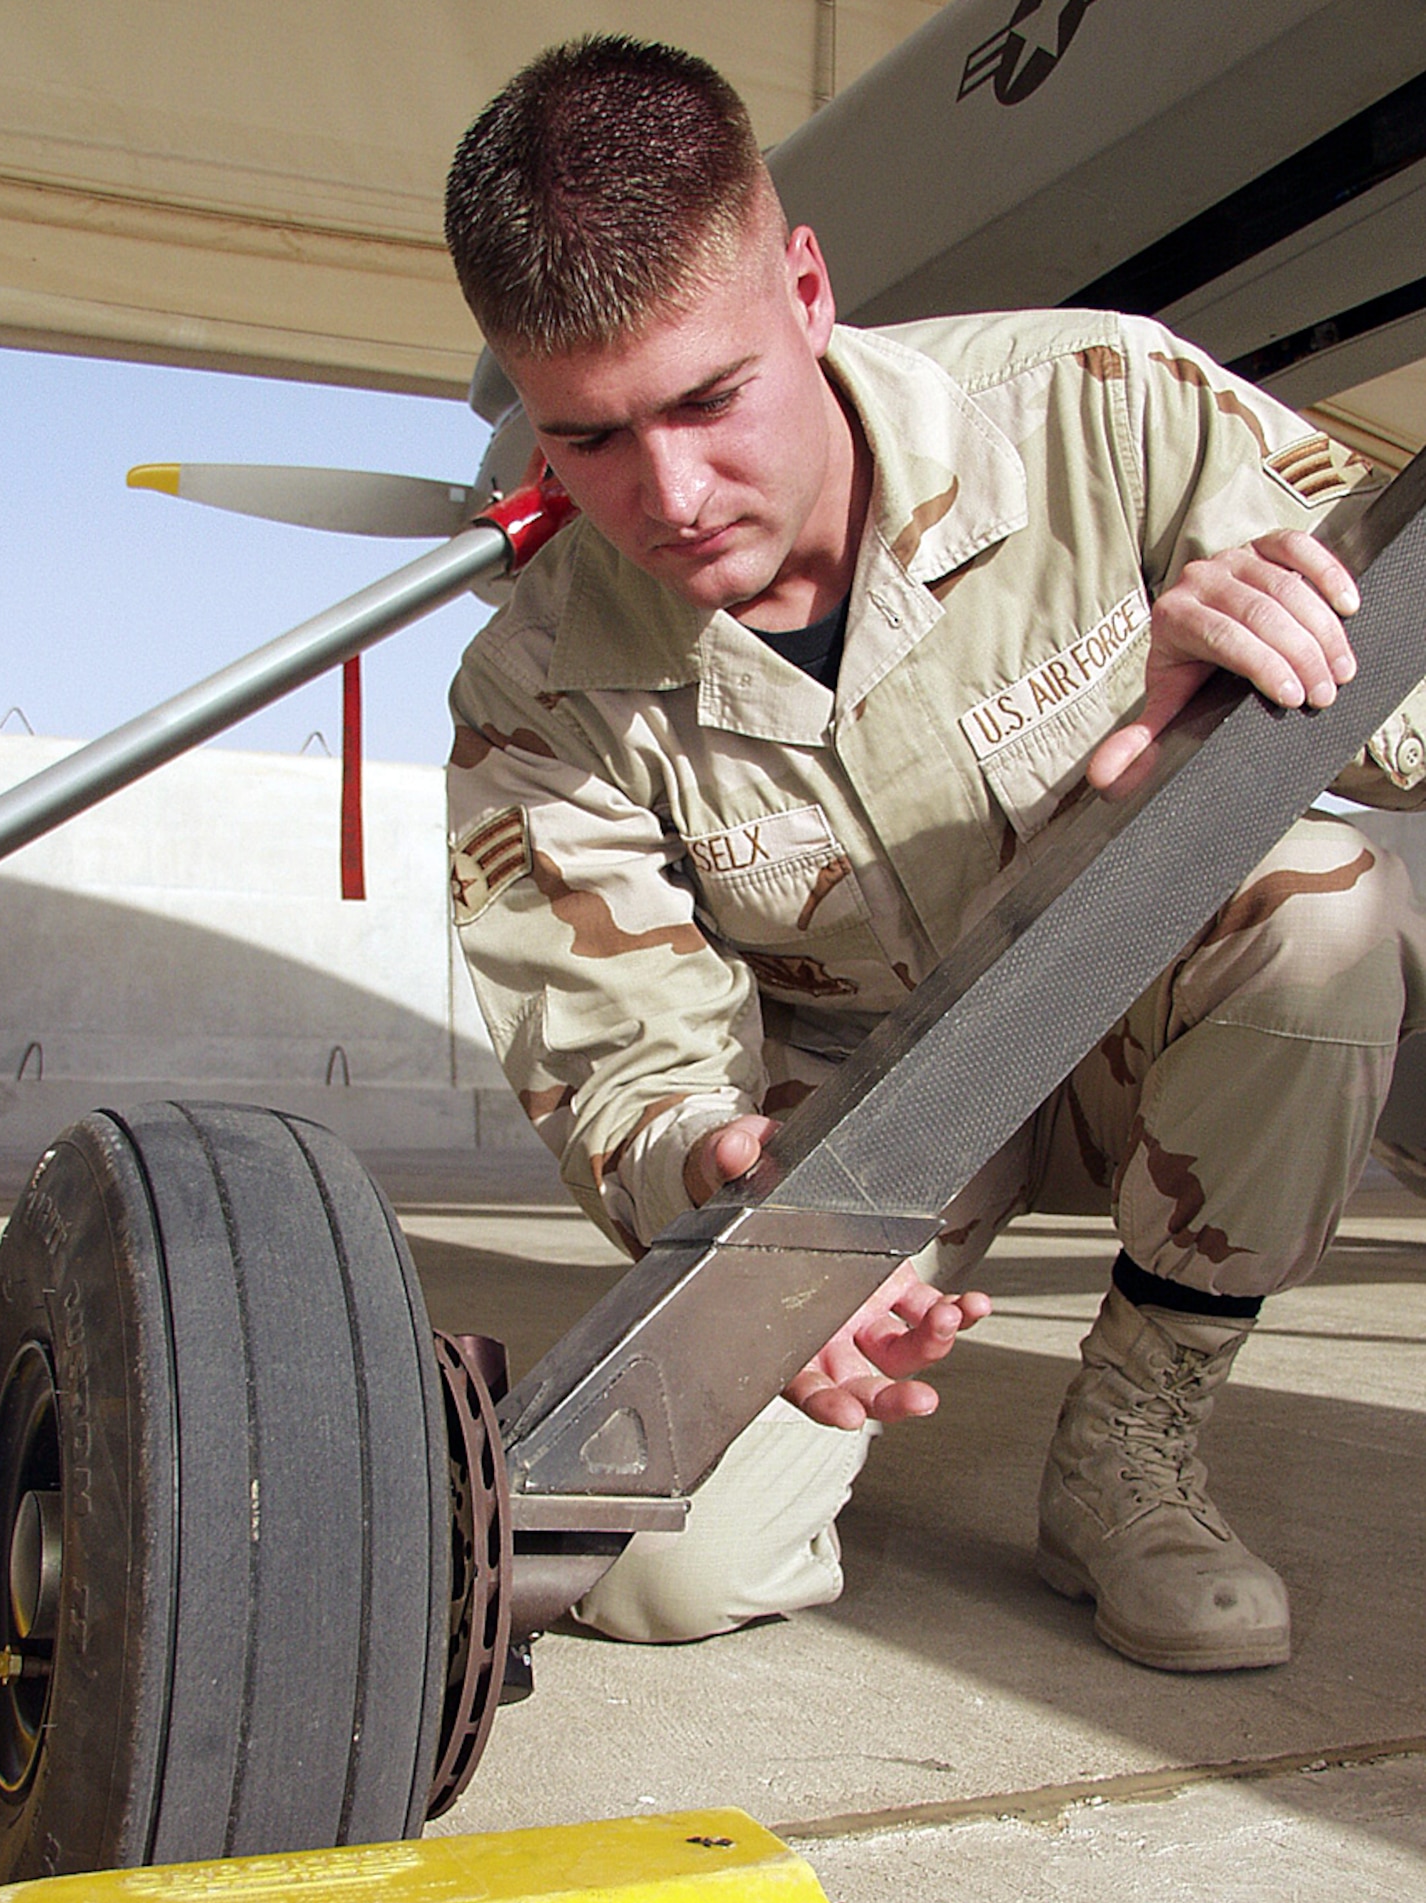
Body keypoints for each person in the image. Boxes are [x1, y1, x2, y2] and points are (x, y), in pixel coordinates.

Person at [442, 35, 1426, 1669]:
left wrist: (1275, 675)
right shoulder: (532, 691)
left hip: (1152, 1030)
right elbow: (621, 1071)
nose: (668, 494)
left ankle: (1134, 1450)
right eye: (588, 439)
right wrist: (721, 1178)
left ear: (809, 291)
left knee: (1325, 915)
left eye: (707, 398)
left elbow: (1413, 715)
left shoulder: (1107, 407)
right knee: (666, 1582)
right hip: (863, 1117)